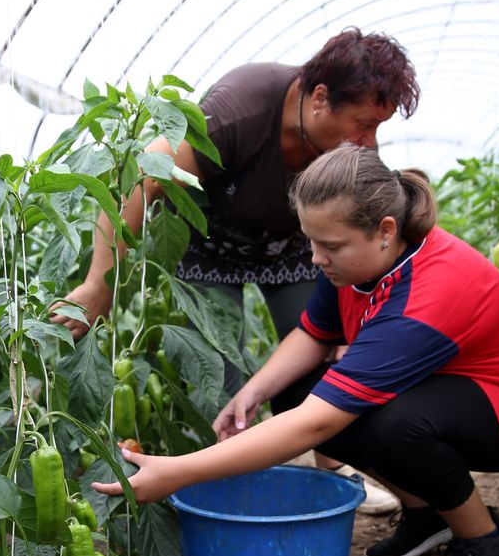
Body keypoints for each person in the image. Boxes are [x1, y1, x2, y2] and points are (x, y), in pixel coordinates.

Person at [94, 144, 499, 556]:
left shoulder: (428, 293)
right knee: (292, 391)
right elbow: (314, 333)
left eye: (331, 246)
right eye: (312, 241)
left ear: (385, 230)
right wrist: (252, 392)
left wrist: (182, 470)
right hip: (448, 388)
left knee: (390, 423)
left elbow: (315, 427)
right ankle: (427, 515)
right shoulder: (356, 260)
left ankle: (482, 538)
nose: (316, 258)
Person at [55, 28, 421, 514]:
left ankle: (331, 471)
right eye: (363, 123)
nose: (370, 142)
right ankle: (228, 487)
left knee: (321, 353)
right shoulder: (241, 109)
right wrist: (99, 283)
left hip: (294, 251)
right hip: (210, 248)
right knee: (217, 371)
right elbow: (139, 178)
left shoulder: (349, 150)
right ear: (319, 99)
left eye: (378, 127)